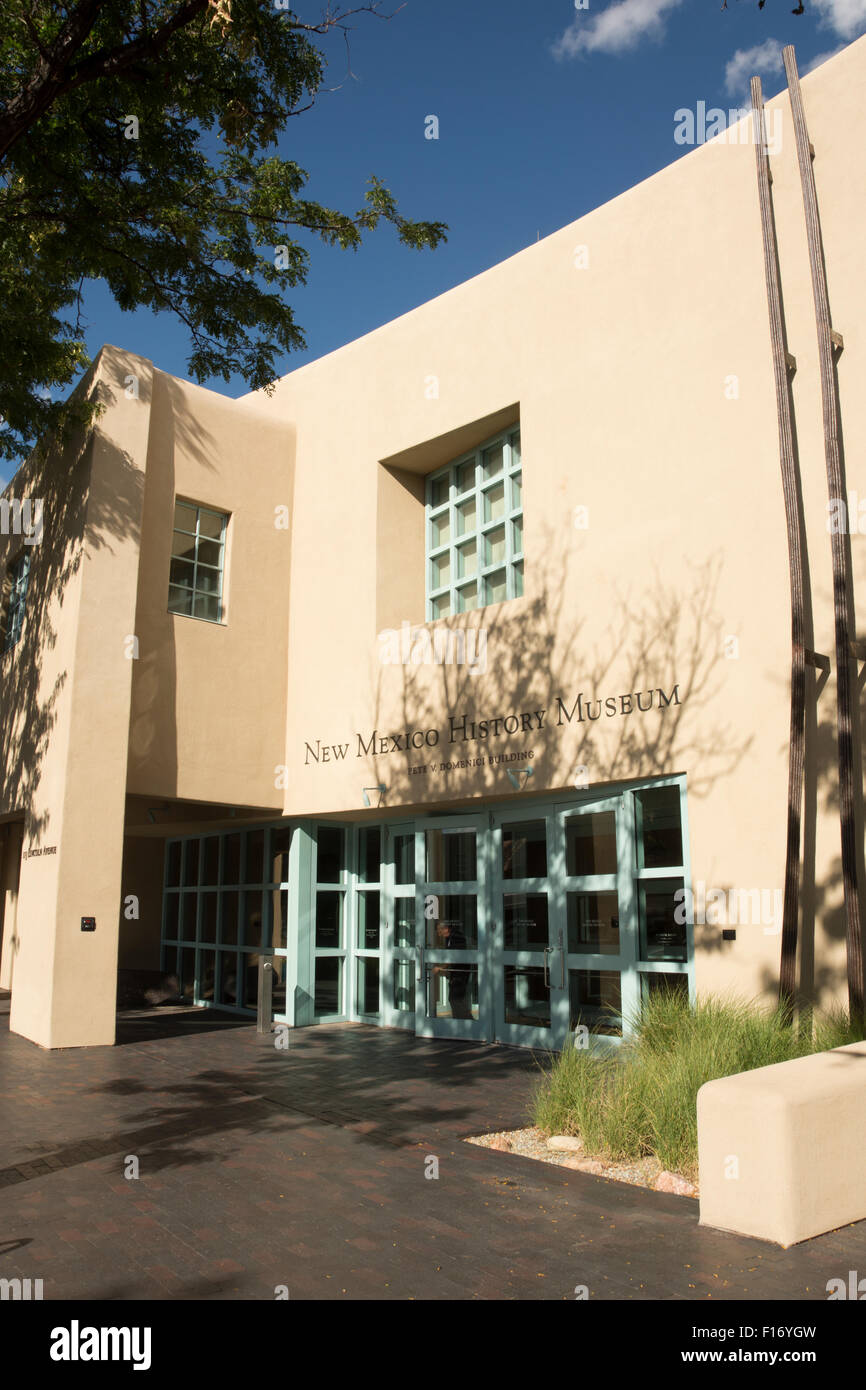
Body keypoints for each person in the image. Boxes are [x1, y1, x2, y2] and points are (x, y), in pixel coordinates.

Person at [433, 919, 473, 1020]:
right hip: (456, 973)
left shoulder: (456, 937)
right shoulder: (449, 938)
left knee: (455, 999)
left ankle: (468, 1021)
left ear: (446, 929)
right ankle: (462, 1021)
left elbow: (453, 957)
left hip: (461, 973)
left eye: (439, 930)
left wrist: (441, 967)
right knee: (455, 999)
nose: (438, 933)